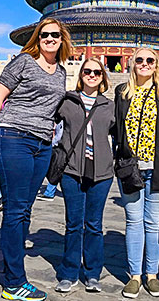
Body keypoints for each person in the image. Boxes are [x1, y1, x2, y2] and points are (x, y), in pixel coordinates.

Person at [0, 18, 71, 301]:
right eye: (44, 35)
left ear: (62, 39)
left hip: (42, 144)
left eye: (55, 35)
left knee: (25, 210)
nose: (49, 39)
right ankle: (14, 282)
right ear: (37, 38)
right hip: (14, 137)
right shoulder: (23, 62)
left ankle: (13, 270)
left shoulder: (61, 72)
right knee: (16, 209)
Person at [115, 47, 159, 298]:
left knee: (153, 222)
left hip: (157, 168)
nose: (145, 63)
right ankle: (135, 276)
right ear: (132, 63)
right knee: (133, 221)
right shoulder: (122, 93)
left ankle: (152, 274)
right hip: (130, 168)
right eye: (140, 59)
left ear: (157, 65)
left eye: (150, 60)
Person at [55, 57, 115, 293]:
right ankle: (69, 273)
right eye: (87, 71)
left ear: (103, 77)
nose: (92, 75)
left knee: (94, 225)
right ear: (80, 75)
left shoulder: (109, 105)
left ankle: (92, 273)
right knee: (73, 224)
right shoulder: (67, 101)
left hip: (101, 173)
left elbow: (121, 135)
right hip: (71, 171)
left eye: (97, 72)